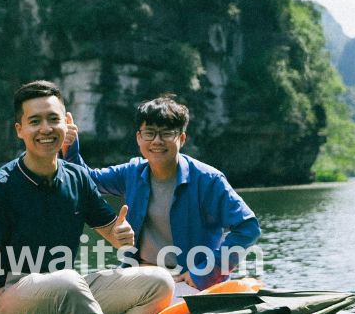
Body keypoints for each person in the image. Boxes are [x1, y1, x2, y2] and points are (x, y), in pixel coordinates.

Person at [0, 80, 173, 314]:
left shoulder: (77, 178)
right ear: (19, 130)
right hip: (5, 297)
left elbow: (116, 239)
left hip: (65, 289)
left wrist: (122, 234)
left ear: (66, 123)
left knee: (159, 282)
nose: (46, 128)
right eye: (35, 121)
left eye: (53, 119)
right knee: (68, 283)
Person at [63, 94, 261, 297]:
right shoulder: (132, 172)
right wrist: (70, 147)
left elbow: (248, 227)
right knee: (79, 296)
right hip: (139, 274)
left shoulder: (208, 180)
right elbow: (86, 180)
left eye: (167, 133)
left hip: (188, 282)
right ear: (139, 138)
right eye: (149, 133)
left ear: (181, 139)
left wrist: (206, 271)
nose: (157, 141)